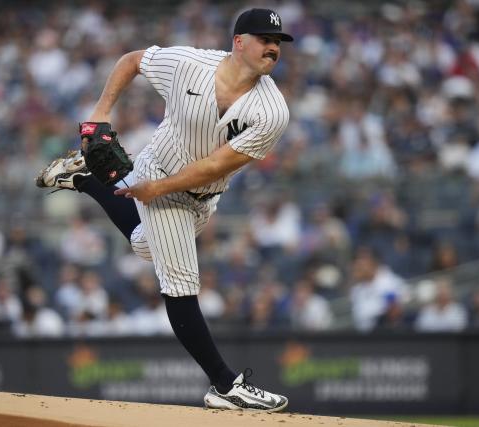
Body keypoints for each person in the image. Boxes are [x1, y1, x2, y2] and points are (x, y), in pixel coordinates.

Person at [36, 8, 292, 411]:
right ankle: (225, 385)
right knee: (180, 281)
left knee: (144, 245)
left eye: (278, 42)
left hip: (200, 193)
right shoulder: (190, 63)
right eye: (265, 39)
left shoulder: (272, 111)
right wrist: (100, 113)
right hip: (160, 169)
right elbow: (132, 60)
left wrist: (154, 190)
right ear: (239, 42)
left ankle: (84, 178)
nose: (273, 47)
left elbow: (214, 167)